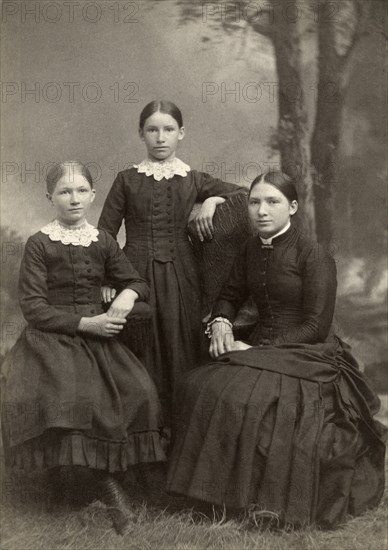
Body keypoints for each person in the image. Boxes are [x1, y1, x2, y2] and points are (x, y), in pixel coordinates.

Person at [167, 171, 387, 528]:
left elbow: (315, 327)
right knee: (197, 385)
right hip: (259, 344)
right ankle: (213, 497)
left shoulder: (314, 255)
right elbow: (229, 295)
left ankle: (251, 499)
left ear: (293, 207)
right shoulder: (250, 249)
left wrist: (253, 349)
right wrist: (222, 320)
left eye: (273, 202)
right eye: (255, 202)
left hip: (307, 352)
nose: (261, 211)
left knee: (245, 401)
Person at [1, 161, 166, 535]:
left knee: (139, 390)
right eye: (64, 192)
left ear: (93, 195)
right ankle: (102, 486)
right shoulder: (39, 243)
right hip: (51, 339)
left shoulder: (103, 241)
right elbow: (34, 307)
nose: (73, 199)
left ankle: (120, 478)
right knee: (71, 394)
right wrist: (85, 323)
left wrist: (126, 293)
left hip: (98, 337)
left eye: (80, 191)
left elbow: (137, 281)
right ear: (50, 198)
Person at [98, 100, 245, 418]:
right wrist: (109, 279)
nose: (160, 137)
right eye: (152, 130)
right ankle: (143, 429)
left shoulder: (193, 179)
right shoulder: (127, 179)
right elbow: (105, 235)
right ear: (141, 134)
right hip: (134, 276)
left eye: (168, 130)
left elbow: (245, 194)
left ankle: (180, 429)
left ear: (181, 133)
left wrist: (213, 200)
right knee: (141, 347)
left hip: (184, 277)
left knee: (183, 346)